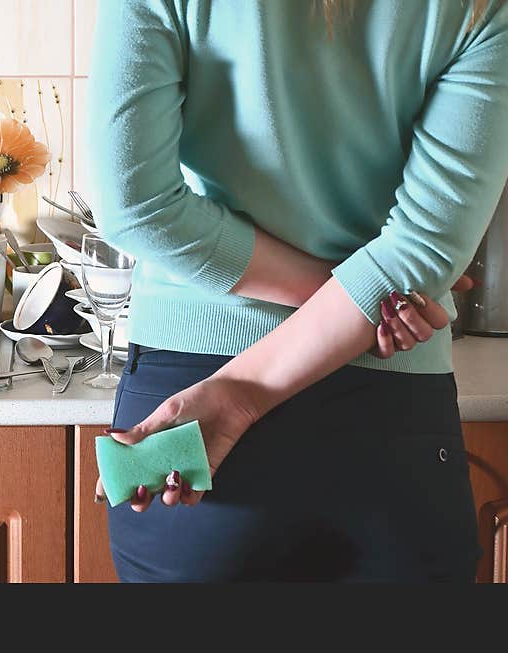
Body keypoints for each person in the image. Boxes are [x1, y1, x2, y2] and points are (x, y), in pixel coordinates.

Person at [87, 0, 508, 581]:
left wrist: (242, 389)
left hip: (190, 409)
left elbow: (138, 207)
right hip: (392, 405)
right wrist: (360, 297)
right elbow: (421, 254)